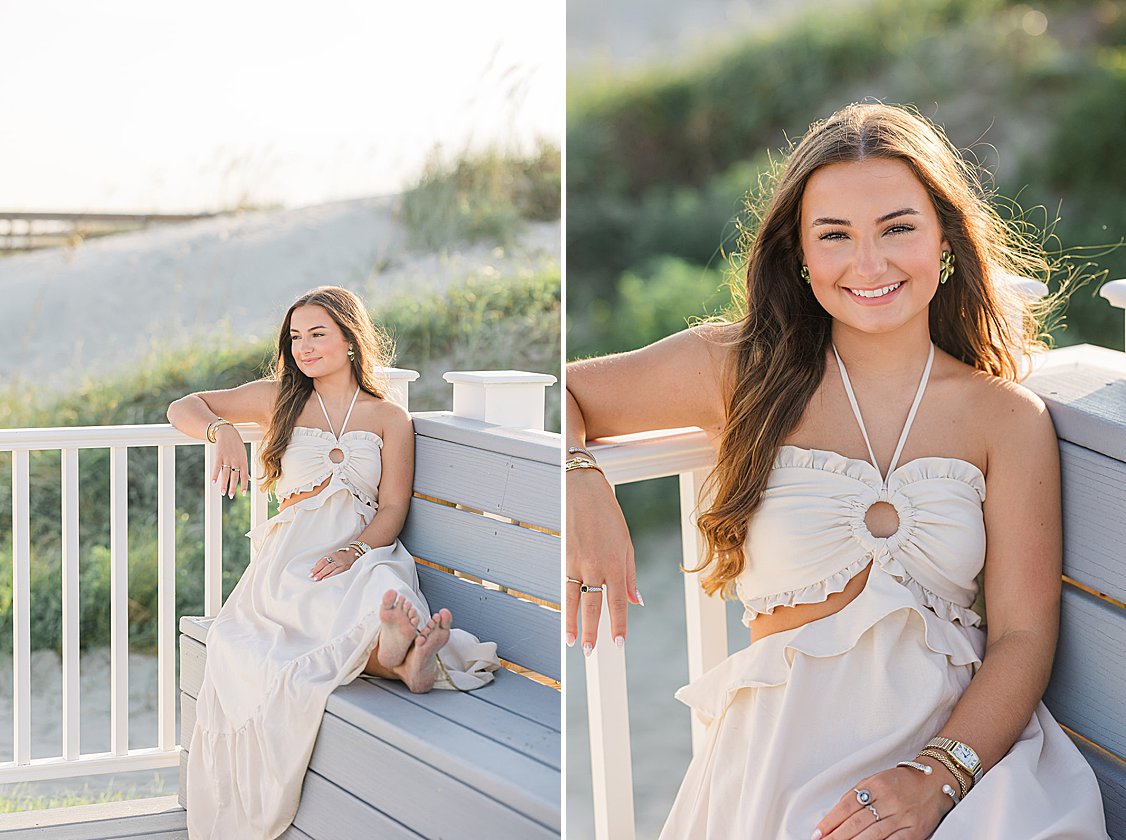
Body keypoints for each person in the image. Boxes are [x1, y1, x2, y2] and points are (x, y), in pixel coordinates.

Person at [566, 104, 1109, 839]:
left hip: (963, 761)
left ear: (944, 237)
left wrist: (939, 777)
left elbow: (1022, 636)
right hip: (786, 764)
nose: (870, 263)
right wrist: (580, 485)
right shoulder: (738, 369)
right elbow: (559, 390)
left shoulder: (1007, 420)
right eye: (835, 236)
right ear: (800, 255)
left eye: (897, 227)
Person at [169, 285, 498, 839]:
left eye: (317, 334)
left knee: (379, 587)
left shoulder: (389, 418)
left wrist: (356, 550)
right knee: (312, 608)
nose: (304, 347)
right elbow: (184, 406)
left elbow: (393, 505)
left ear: (350, 339)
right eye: (295, 337)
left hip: (364, 544)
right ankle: (400, 659)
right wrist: (221, 431)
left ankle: (399, 653)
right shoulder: (279, 399)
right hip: (295, 556)